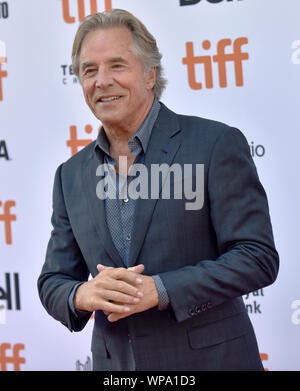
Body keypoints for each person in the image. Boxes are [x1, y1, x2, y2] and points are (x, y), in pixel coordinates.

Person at [38, 9, 279, 371]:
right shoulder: (69, 175)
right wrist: (81, 294)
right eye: (89, 70)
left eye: (117, 65)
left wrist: (162, 289)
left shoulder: (214, 144)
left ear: (150, 74)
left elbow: (256, 256)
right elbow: (54, 280)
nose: (102, 81)